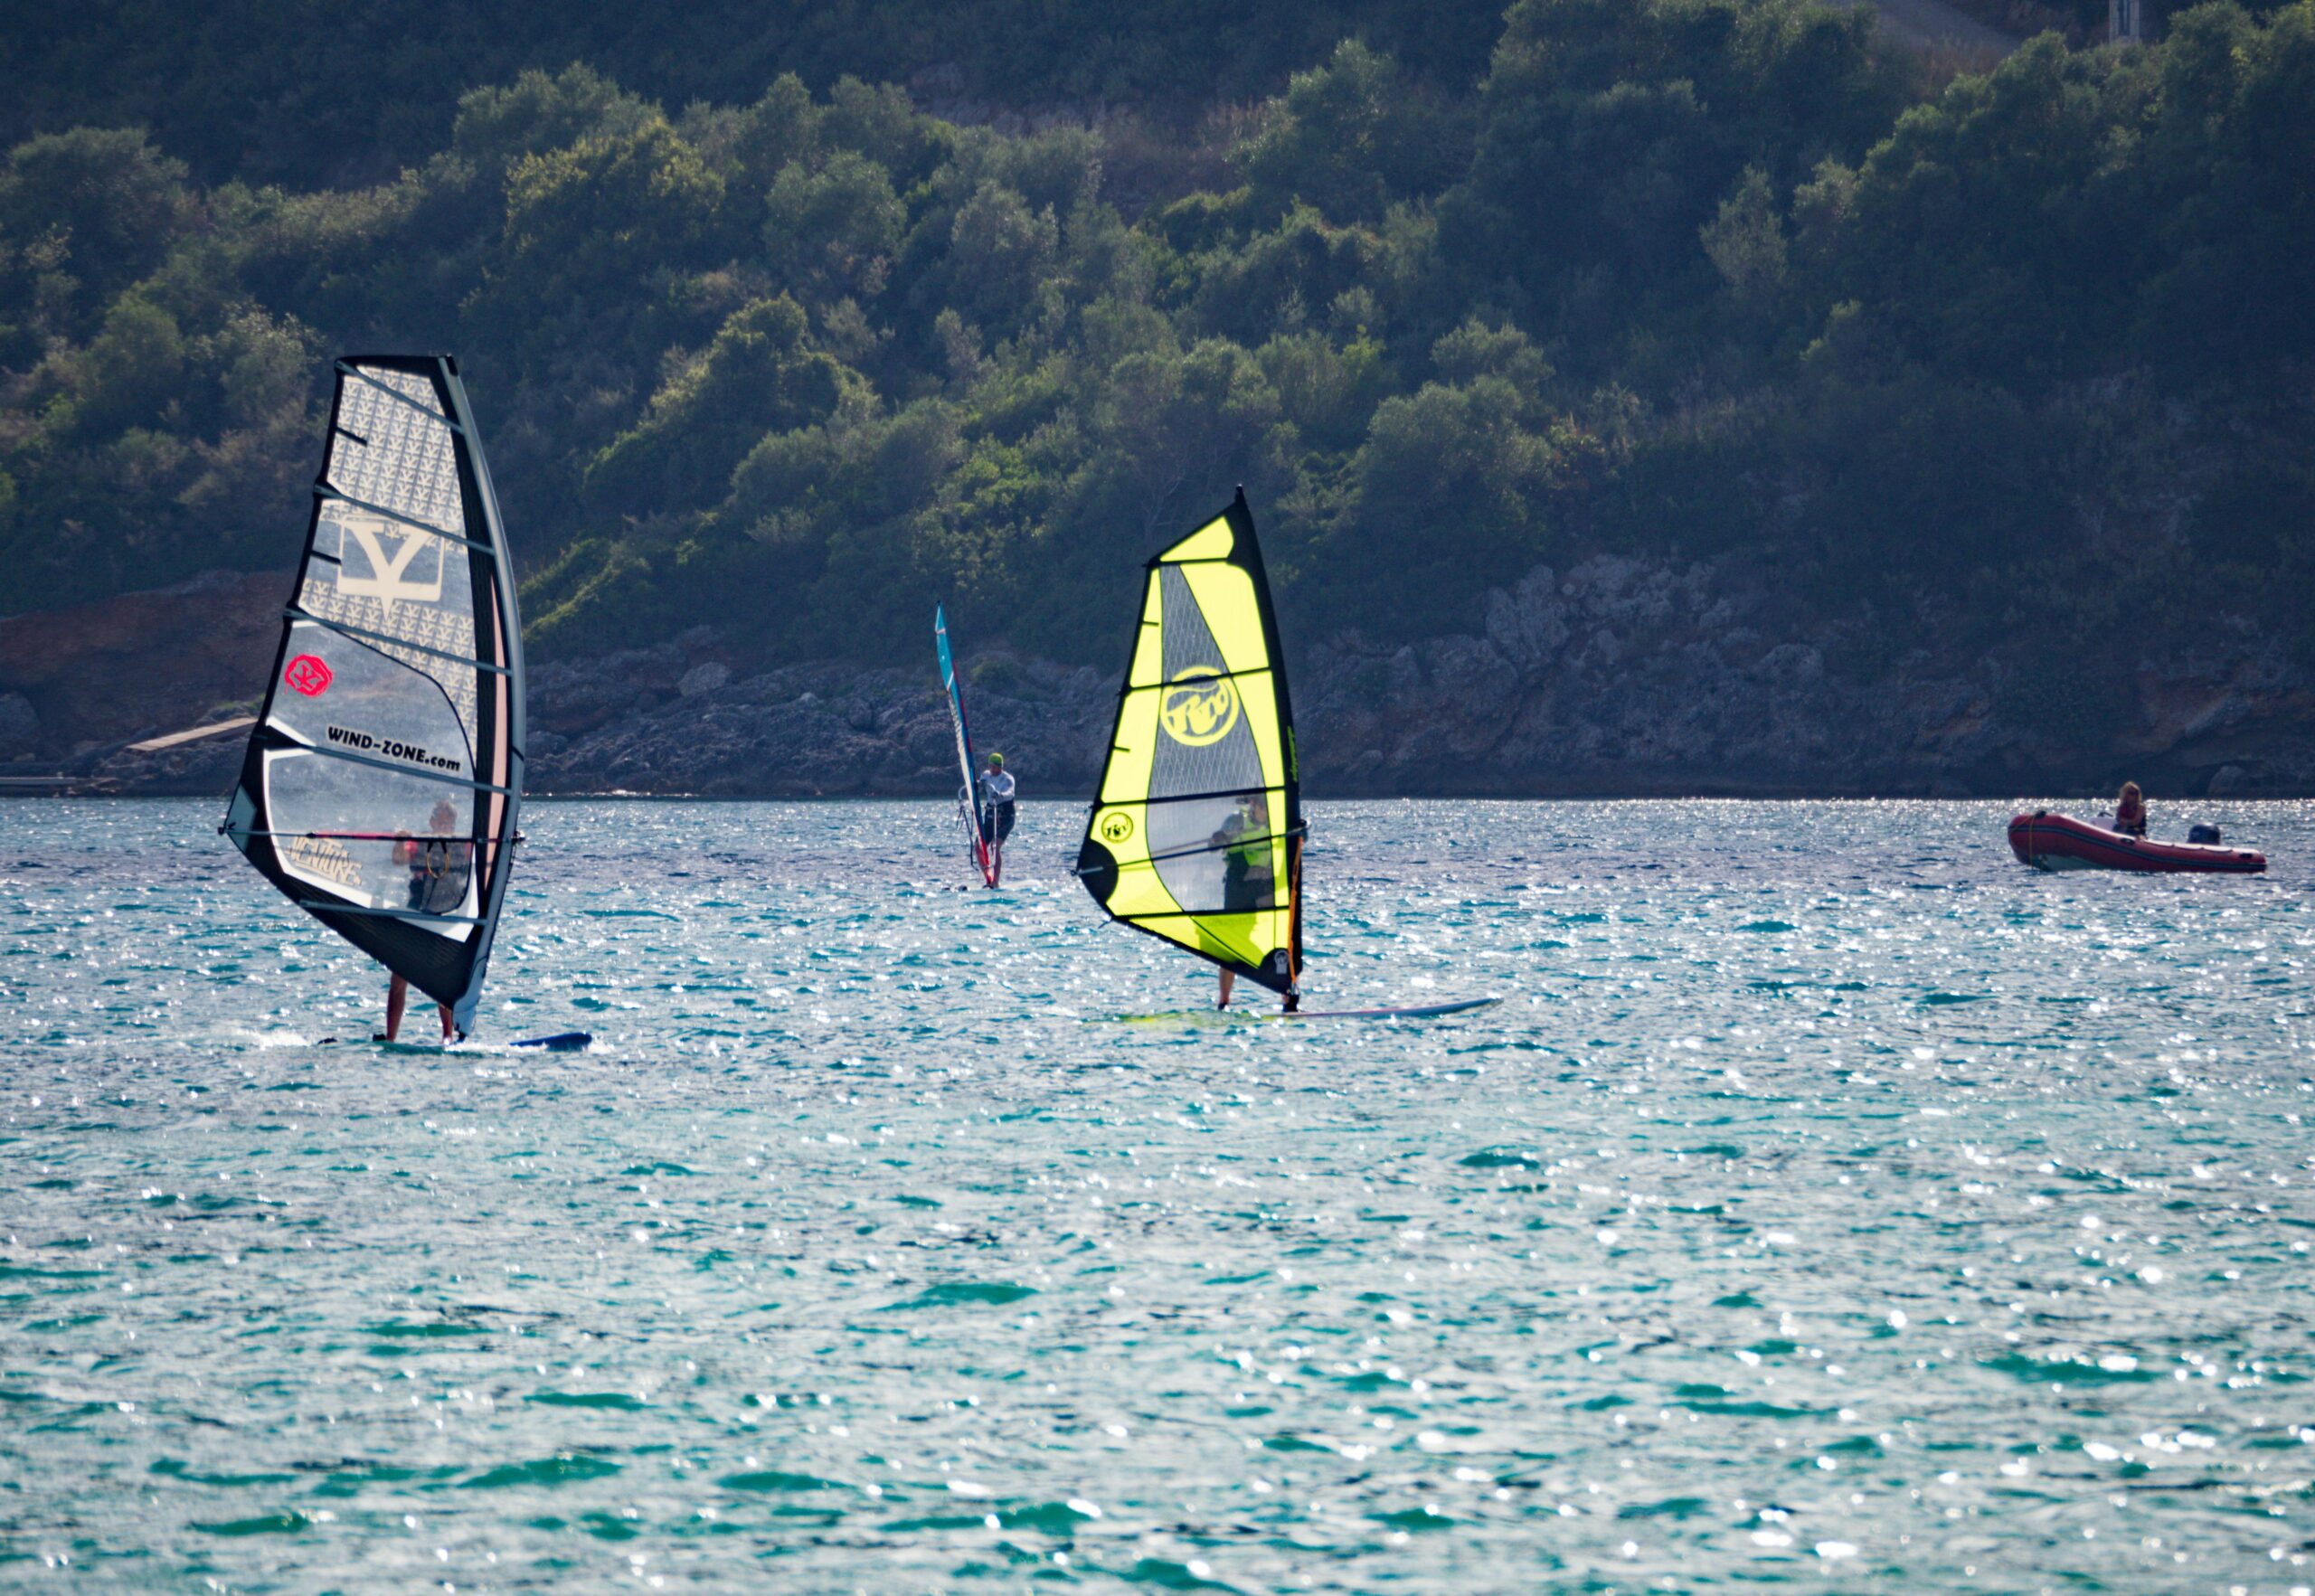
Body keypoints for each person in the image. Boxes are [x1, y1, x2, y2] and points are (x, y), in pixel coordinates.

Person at [382, 800, 467, 1044]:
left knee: (443, 978)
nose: (444, 825)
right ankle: (391, 1038)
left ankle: (447, 1036)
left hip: (446, 914)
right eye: (440, 820)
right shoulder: (418, 842)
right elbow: (398, 859)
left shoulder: (462, 844)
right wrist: (399, 840)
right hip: (416, 913)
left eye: (448, 822)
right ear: (431, 822)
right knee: (399, 978)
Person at [1210, 793, 1278, 1011]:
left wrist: (1301, 832)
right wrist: (1218, 839)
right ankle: (1224, 1000)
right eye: (1263, 808)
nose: (1267, 814)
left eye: (1270, 809)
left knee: (1279, 939)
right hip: (1238, 884)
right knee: (1232, 945)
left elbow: (1301, 839)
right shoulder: (1236, 820)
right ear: (1253, 805)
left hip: (1265, 884)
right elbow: (1213, 845)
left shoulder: (1280, 820)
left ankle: (1287, 996)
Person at [978, 751, 1016, 884]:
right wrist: (975, 785)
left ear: (1001, 767)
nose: (993, 770)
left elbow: (1010, 792)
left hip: (1006, 816)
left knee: (995, 846)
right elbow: (980, 785)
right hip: (990, 815)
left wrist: (999, 794)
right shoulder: (986, 775)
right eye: (991, 767)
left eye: (995, 767)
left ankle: (996, 881)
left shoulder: (1008, 779)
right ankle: (988, 878)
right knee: (978, 846)